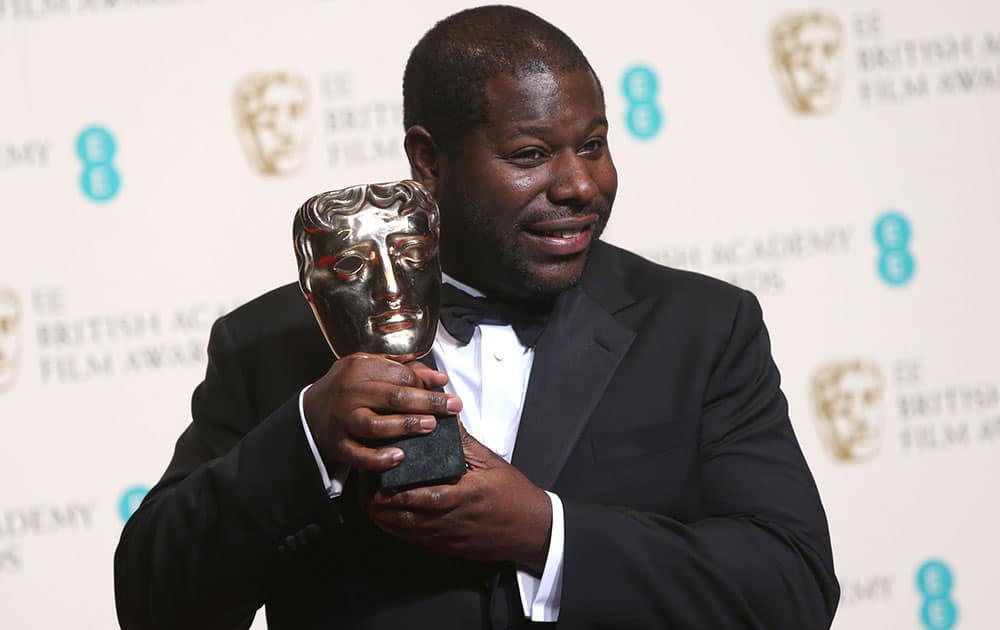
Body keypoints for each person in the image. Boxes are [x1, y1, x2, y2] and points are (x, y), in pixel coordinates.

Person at [115, 6, 839, 629]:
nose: (581, 185)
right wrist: (306, 437)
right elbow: (156, 606)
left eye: (592, 145)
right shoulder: (272, 345)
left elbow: (793, 586)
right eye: (530, 154)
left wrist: (545, 533)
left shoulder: (703, 327)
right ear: (429, 161)